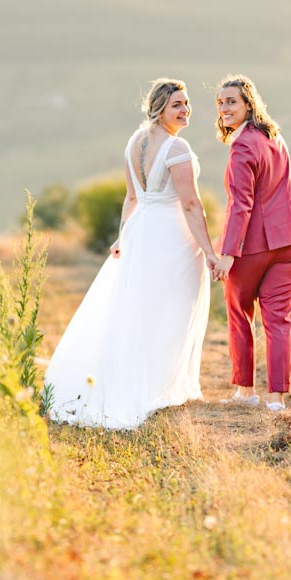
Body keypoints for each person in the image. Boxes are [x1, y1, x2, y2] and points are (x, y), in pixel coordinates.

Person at [46, 78, 218, 429]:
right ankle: (156, 386)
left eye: (186, 103)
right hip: (172, 239)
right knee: (170, 310)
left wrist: (123, 235)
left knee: (138, 307)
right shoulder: (177, 147)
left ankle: (143, 381)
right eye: (177, 105)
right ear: (159, 108)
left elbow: (132, 198)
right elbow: (190, 204)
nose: (185, 110)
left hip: (141, 232)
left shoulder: (134, 142)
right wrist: (209, 251)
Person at [213, 74, 291, 412]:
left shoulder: (242, 145)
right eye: (221, 102)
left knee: (240, 315)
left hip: (253, 247)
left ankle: (245, 392)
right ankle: (277, 400)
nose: (224, 108)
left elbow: (240, 204)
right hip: (289, 243)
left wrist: (228, 253)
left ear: (248, 104)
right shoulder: (275, 137)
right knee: (279, 322)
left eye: (231, 102)